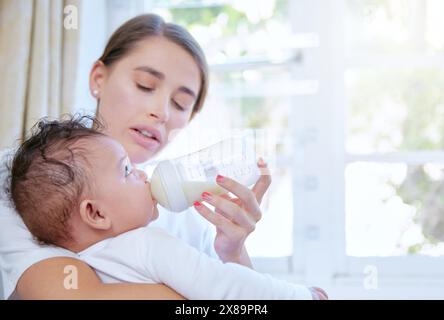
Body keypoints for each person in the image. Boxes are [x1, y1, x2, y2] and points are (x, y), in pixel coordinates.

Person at [0, 13, 325, 300]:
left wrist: (232, 252)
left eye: (181, 104)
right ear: (99, 78)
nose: (161, 112)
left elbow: (238, 298)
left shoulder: (186, 212)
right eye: (145, 85)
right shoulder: (23, 178)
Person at [6, 117, 325, 299]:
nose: (144, 174)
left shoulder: (82, 264)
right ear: (97, 214)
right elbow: (222, 287)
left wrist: (234, 249)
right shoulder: (146, 245)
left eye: (182, 103)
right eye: (127, 171)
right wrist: (303, 296)